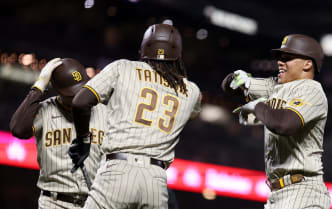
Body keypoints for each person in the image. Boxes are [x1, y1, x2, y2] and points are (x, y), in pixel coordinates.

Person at [68, 21, 201, 209]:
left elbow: (80, 101)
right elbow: (191, 113)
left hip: (118, 171)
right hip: (156, 182)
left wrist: (84, 140)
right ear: (178, 55)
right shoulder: (192, 90)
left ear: (144, 48)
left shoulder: (123, 68)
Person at [222, 34, 331, 208]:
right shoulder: (276, 86)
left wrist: (258, 106)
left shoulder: (312, 90)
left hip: (303, 191)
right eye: (280, 57)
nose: (280, 62)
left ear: (308, 64)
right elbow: (229, 87)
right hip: (277, 194)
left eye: (287, 57)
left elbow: (285, 124)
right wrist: (235, 78)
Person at [10, 58, 107, 209]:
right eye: (72, 94)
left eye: (82, 89)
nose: (77, 97)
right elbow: (18, 129)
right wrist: (39, 86)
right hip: (54, 202)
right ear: (58, 90)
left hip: (93, 202)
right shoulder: (45, 110)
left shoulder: (104, 111)